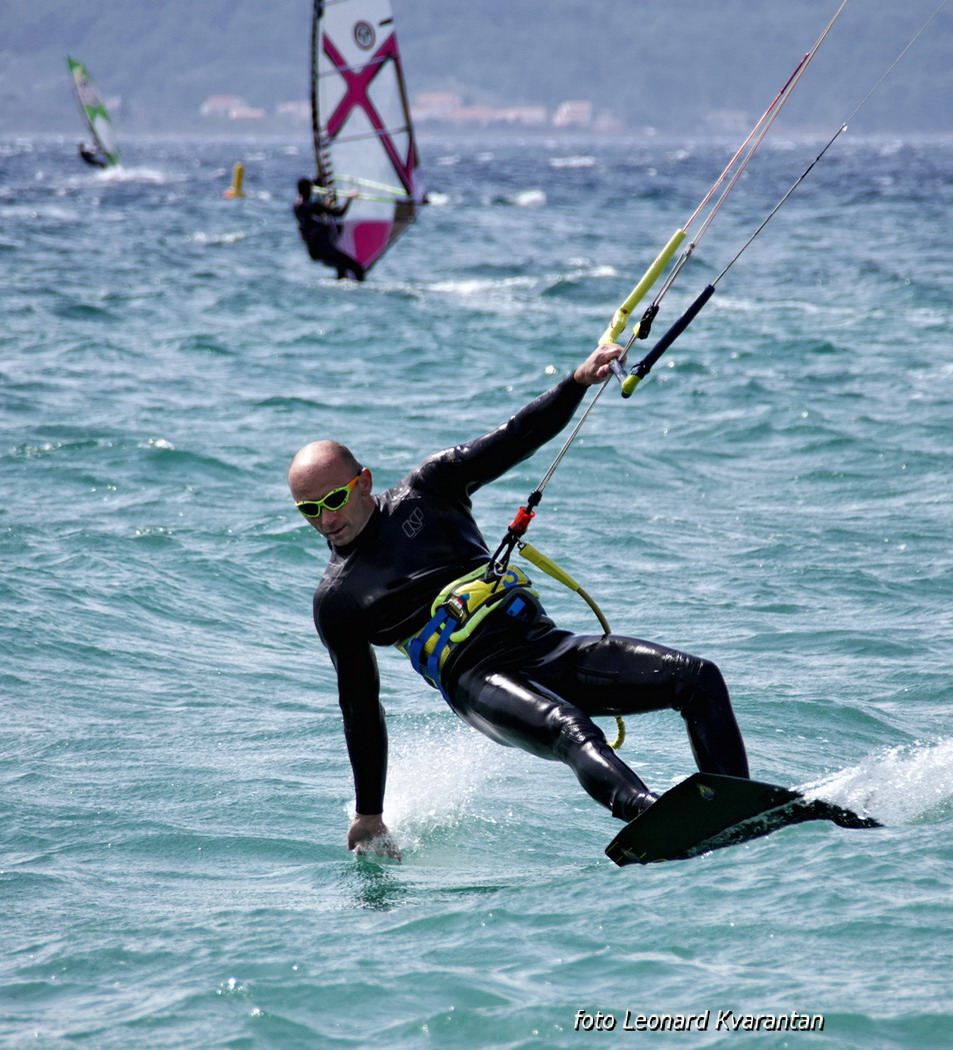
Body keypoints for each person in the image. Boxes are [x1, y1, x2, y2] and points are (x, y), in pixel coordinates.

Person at [288, 343, 749, 858]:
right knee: (570, 729)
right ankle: (652, 814)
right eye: (309, 509)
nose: (326, 520)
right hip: (479, 683)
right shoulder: (339, 600)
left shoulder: (430, 490)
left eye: (334, 500)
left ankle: (731, 806)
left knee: (698, 678)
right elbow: (360, 707)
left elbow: (516, 436)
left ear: (364, 482)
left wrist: (576, 382)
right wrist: (369, 814)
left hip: (544, 647)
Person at [292, 177, 366, 282]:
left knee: (342, 267)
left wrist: (320, 188)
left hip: (313, 250)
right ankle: (358, 293)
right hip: (324, 249)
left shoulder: (297, 207)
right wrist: (350, 198)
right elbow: (339, 213)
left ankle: (341, 291)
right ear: (309, 190)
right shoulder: (314, 206)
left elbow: (319, 212)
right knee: (358, 270)